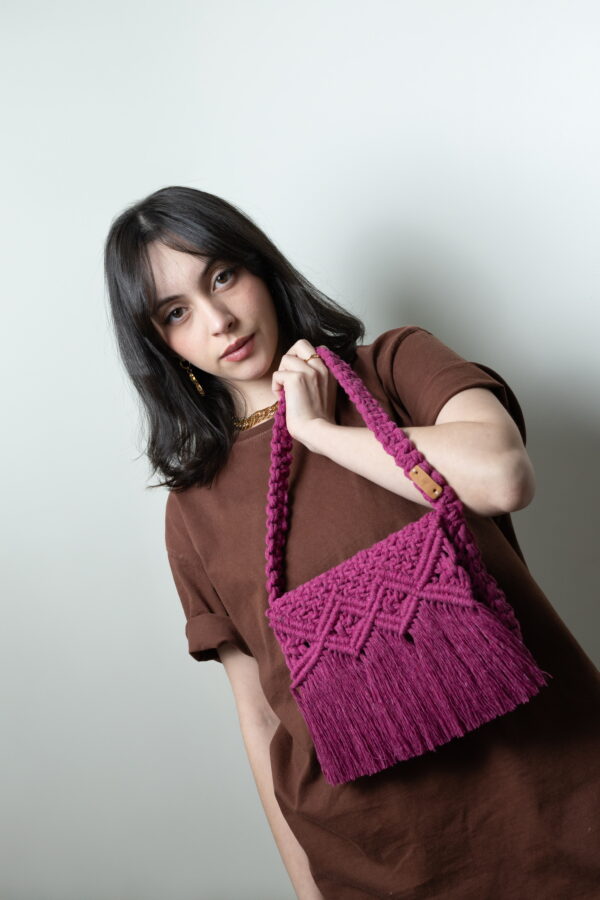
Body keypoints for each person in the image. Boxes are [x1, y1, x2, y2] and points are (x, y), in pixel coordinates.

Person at [104, 185, 600, 899]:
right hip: (371, 861)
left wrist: (319, 432)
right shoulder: (193, 508)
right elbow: (260, 717)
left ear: (261, 268)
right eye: (175, 313)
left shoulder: (397, 365)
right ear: (160, 343)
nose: (218, 320)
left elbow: (501, 477)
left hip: (559, 805)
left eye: (223, 276)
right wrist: (308, 890)